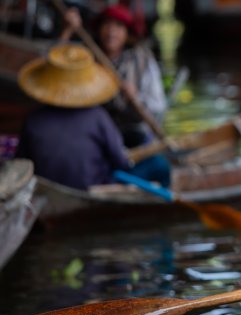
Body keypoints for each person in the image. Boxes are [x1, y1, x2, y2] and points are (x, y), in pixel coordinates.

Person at [60, 3, 170, 187]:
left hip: (132, 139)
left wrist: (136, 98)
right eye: (107, 25)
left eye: (118, 27)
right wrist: (66, 32)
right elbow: (56, 76)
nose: (111, 32)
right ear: (99, 29)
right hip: (92, 139)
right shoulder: (86, 57)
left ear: (127, 33)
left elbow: (157, 107)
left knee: (160, 167)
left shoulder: (141, 59)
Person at [15, 44, 130, 190]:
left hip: (46, 191)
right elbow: (121, 162)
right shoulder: (98, 116)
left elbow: (21, 163)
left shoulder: (33, 119)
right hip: (91, 191)